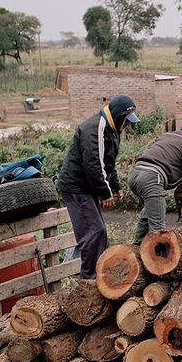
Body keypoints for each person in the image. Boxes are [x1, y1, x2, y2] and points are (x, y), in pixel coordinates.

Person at [57, 95, 139, 279]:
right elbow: (93, 164)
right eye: (126, 120)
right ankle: (88, 279)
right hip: (76, 187)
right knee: (93, 232)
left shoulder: (111, 130)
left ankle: (98, 274)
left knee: (99, 231)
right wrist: (105, 193)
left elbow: (108, 163)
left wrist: (115, 185)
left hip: (87, 187)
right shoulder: (96, 128)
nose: (127, 124)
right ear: (119, 115)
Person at [128, 121, 182, 244]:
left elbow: (170, 161)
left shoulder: (166, 136)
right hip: (152, 177)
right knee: (158, 229)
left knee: (148, 213)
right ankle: (157, 260)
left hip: (135, 174)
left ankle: (137, 247)